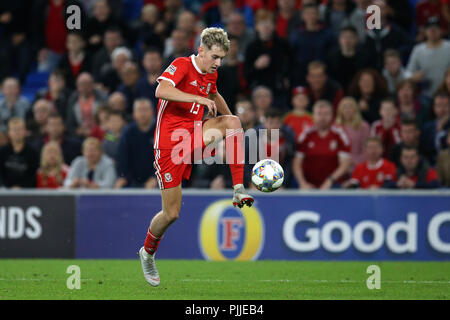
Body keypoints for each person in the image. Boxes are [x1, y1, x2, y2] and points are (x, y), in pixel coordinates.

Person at [138, 28, 254, 287]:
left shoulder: (210, 73)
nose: (218, 63)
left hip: (191, 135)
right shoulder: (181, 65)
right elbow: (161, 91)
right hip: (168, 145)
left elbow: (212, 94)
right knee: (171, 213)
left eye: (222, 58)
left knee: (233, 122)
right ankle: (147, 253)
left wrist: (232, 122)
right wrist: (197, 98)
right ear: (201, 51)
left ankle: (237, 189)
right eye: (214, 57)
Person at [292, 100, 351, 190]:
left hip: (334, 185)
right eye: (319, 114)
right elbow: (297, 163)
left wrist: (329, 181)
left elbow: (345, 165)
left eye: (326, 114)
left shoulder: (340, 134)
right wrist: (302, 183)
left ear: (332, 116)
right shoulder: (306, 134)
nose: (322, 117)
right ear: (313, 116)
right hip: (309, 185)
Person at [115, 99, 157, 189]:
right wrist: (123, 177)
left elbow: (166, 159)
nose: (142, 114)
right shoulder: (128, 132)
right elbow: (122, 158)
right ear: (134, 114)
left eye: (145, 110)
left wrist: (155, 178)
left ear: (152, 112)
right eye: (139, 110)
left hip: (157, 179)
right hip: (132, 180)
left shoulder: (161, 130)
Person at [407, 16, 450, 98]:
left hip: (447, 94)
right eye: (430, 29)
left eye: (435, 28)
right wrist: (414, 77)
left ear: (441, 30)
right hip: (426, 96)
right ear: (425, 31)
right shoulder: (418, 50)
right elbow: (409, 73)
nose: (433, 31)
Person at [0, 118, 39, 188]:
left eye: (20, 129)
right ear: (9, 133)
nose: (17, 132)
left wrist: (21, 188)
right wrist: (8, 187)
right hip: (5, 192)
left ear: (25, 132)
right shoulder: (2, 152)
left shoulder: (33, 153)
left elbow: (34, 175)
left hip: (28, 193)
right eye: (14, 130)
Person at [66, 72, 107, 138]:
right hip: (80, 136)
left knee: (113, 139)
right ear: (77, 86)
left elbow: (108, 122)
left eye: (87, 84)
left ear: (92, 84)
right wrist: (77, 131)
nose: (85, 87)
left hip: (100, 133)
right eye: (82, 84)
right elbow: (70, 124)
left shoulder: (102, 98)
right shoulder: (72, 100)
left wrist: (95, 131)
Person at [334, 96, 370, 167]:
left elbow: (366, 149)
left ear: (355, 110)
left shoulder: (363, 126)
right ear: (340, 110)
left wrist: (352, 162)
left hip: (357, 165)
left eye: (350, 107)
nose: (347, 110)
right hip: (338, 165)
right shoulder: (335, 127)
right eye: (344, 107)